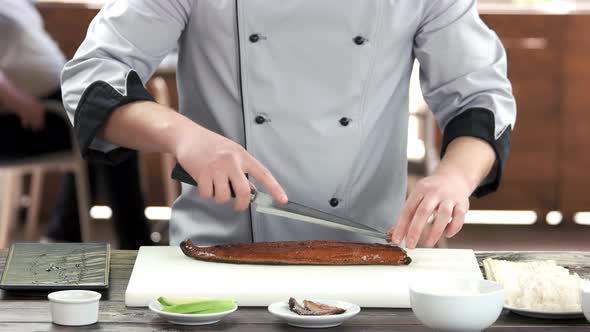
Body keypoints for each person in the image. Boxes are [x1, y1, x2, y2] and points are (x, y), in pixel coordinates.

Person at [62, 0, 517, 248]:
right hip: (222, 251)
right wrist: (185, 137)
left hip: (369, 250)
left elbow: (479, 97)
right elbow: (93, 78)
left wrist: (454, 178)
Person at [0, 0, 150, 249]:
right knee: (113, 126)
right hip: (28, 115)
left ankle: (64, 233)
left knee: (109, 120)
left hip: (57, 102)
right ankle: (134, 242)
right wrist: (16, 99)